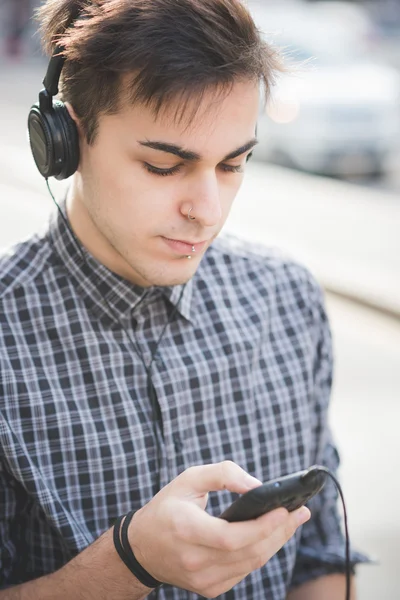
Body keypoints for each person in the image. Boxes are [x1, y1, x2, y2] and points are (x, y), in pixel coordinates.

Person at [0, 1, 367, 598]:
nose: (208, 211)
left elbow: (321, 555)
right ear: (65, 139)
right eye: (164, 166)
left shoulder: (287, 298)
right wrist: (128, 563)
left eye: (233, 164)